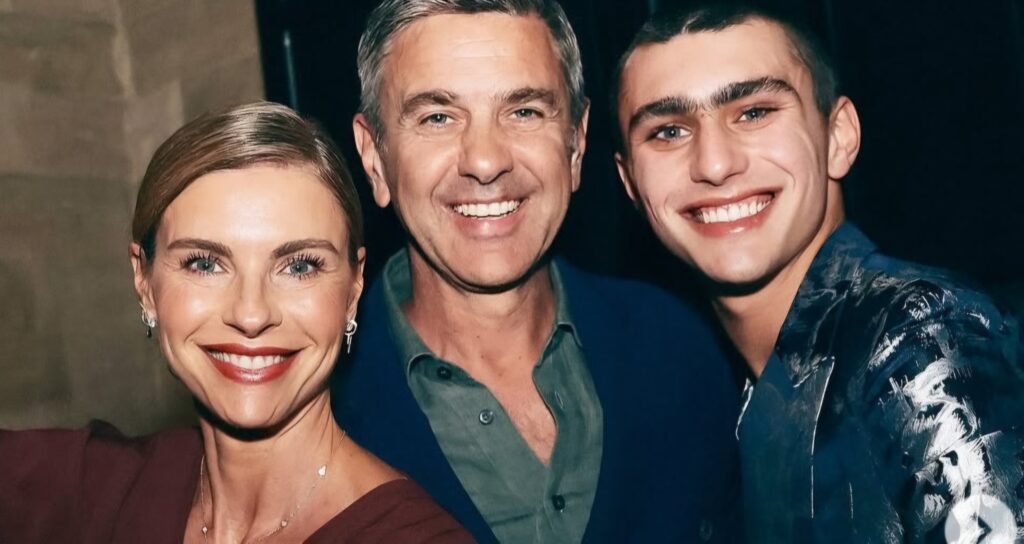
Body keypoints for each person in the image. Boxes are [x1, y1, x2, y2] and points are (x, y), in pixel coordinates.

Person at [330, 1, 742, 542]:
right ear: (374, 157)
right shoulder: (317, 410)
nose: (485, 161)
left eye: (523, 111)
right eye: (437, 117)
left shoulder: (679, 348)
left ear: (576, 143)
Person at [612, 3, 1024, 542]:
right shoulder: (713, 389)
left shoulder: (917, 338)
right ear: (629, 183)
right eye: (668, 131)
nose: (713, 164)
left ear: (838, 137)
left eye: (754, 112)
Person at [0, 102, 471, 543]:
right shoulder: (97, 490)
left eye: (299, 266)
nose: (251, 314)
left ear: (353, 288)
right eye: (205, 264)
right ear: (144, 282)